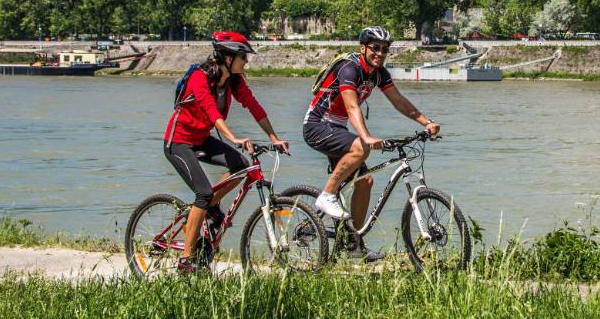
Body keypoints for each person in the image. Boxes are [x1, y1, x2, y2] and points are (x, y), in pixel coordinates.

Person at [302, 26, 440, 261]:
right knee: (360, 147)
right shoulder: (349, 69)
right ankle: (327, 196)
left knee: (365, 181)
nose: (380, 53)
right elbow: (351, 105)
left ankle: (354, 244)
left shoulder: (378, 74)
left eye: (385, 50)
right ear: (363, 48)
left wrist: (426, 122)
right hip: (317, 125)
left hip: (337, 129)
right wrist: (365, 137)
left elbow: (398, 101)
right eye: (375, 48)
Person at [163, 31, 289, 274]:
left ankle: (211, 205)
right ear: (228, 57)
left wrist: (273, 137)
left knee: (241, 166)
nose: (247, 61)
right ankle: (186, 260)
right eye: (243, 56)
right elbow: (212, 113)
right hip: (178, 142)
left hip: (201, 139)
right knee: (202, 192)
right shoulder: (200, 78)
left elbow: (254, 106)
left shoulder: (235, 81)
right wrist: (234, 138)